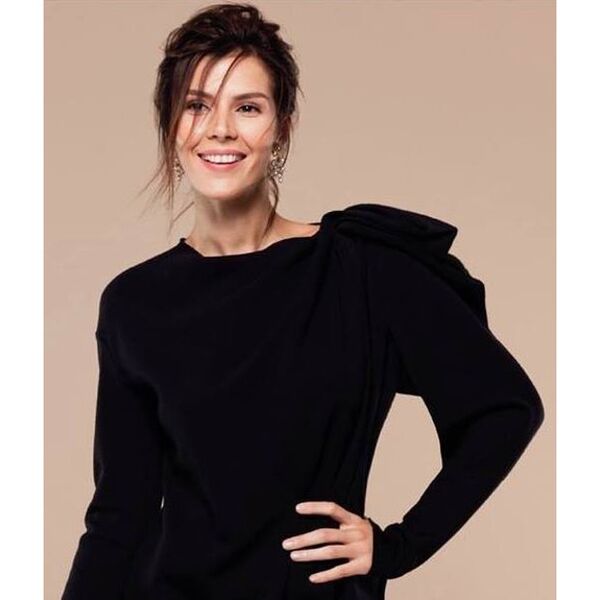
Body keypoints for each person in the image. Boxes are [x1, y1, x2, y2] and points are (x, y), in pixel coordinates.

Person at [61, 3, 545, 599]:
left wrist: (400, 546)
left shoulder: (362, 270)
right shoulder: (135, 303)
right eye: (196, 105)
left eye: (247, 107)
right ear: (170, 124)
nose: (220, 129)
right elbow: (118, 516)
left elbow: (505, 409)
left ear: (282, 126)